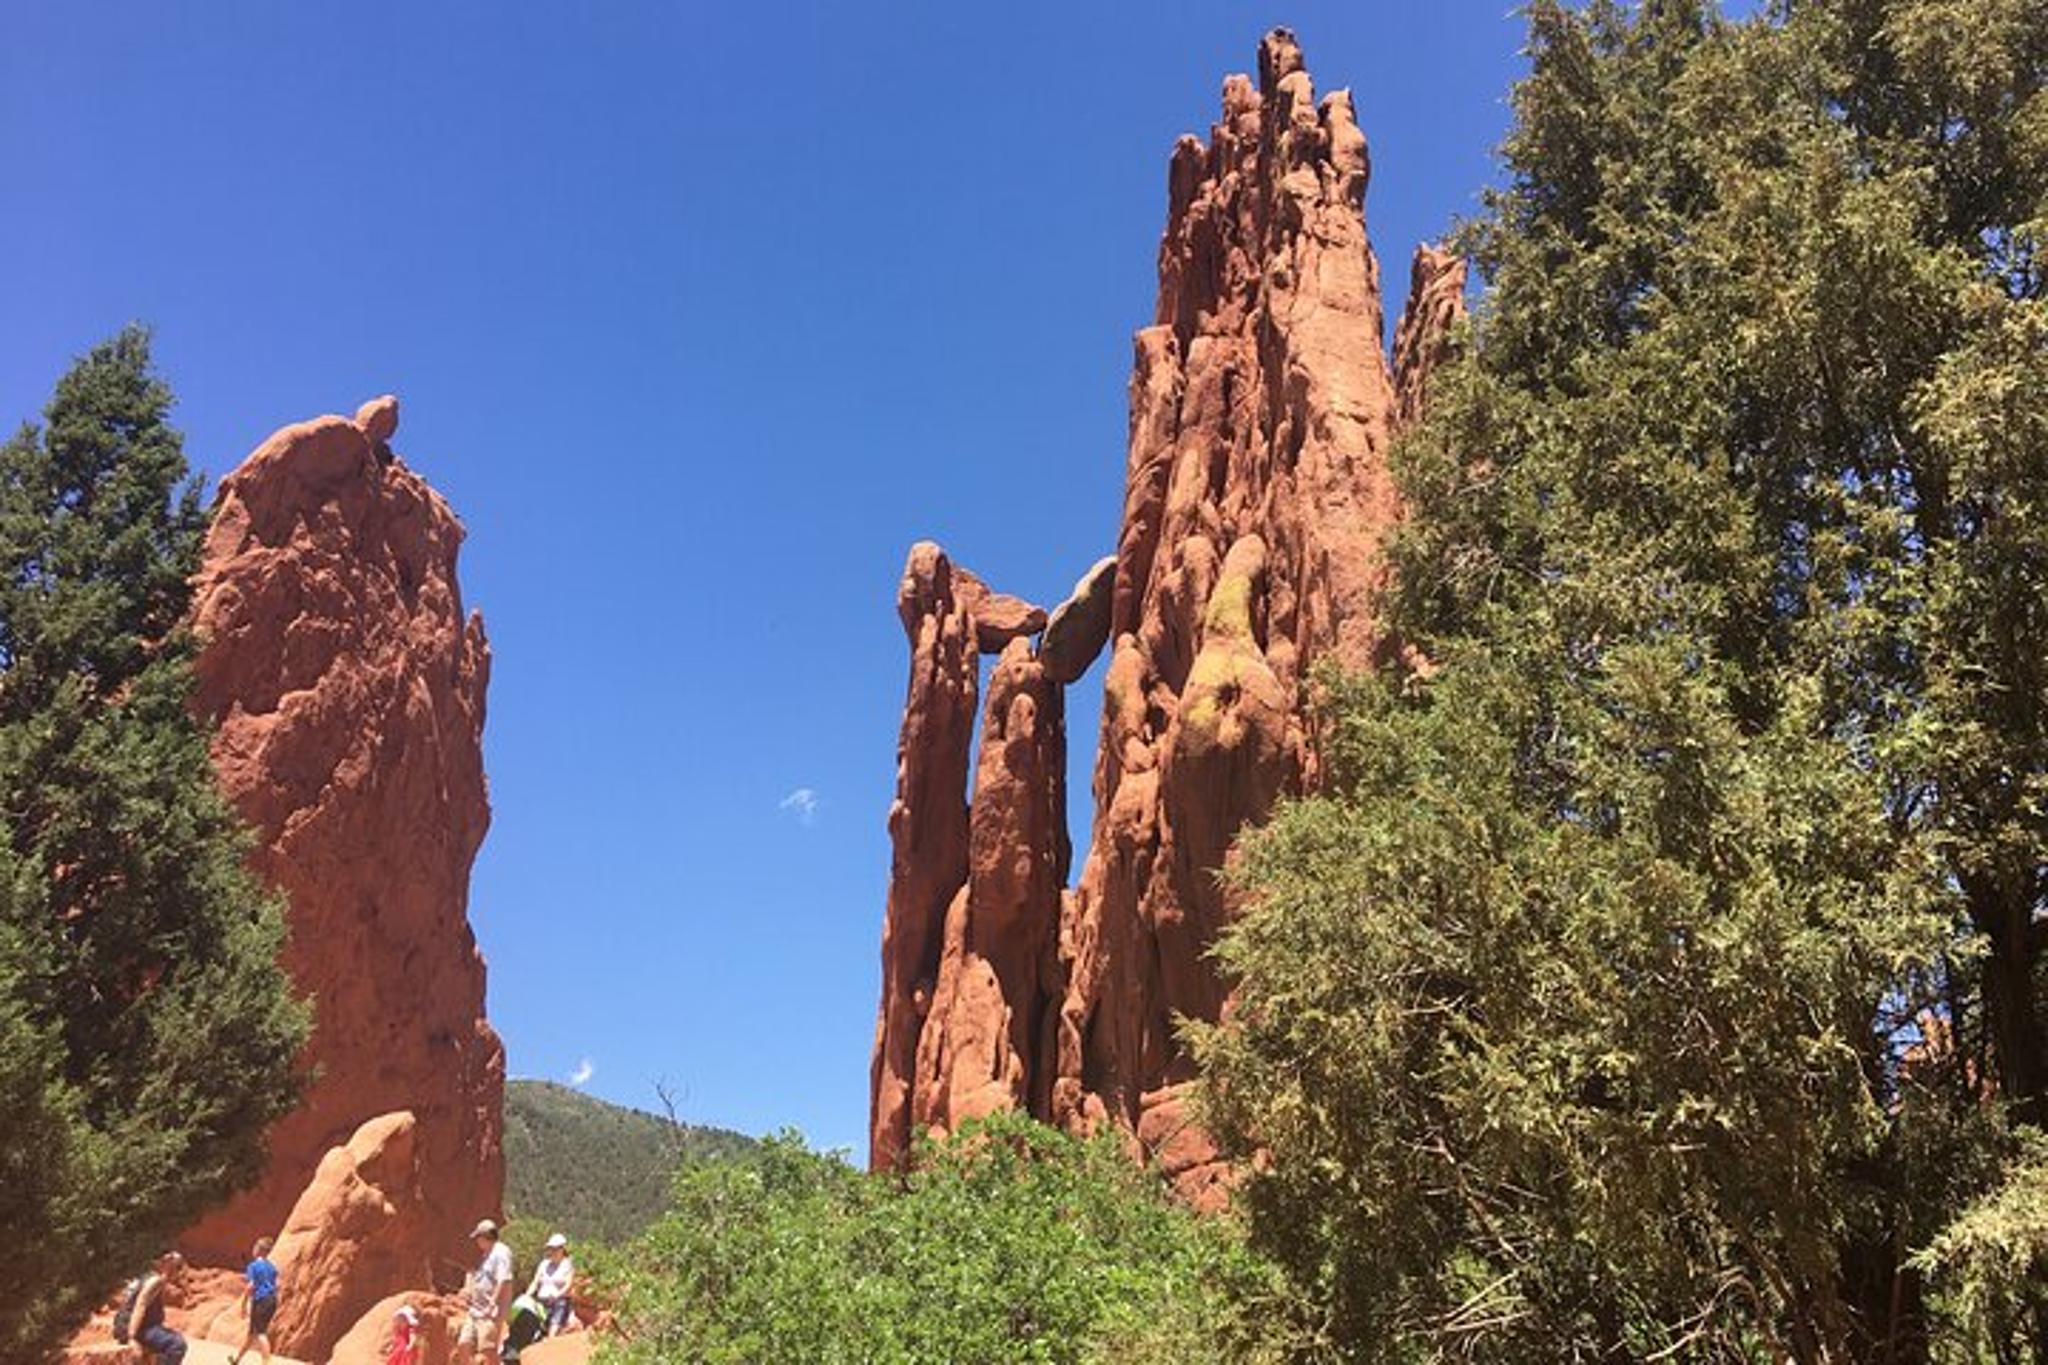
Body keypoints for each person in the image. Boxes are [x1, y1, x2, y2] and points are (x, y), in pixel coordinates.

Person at [456, 1218, 515, 1364]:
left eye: (478, 1237)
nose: (477, 1242)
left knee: (487, 1349)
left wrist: (492, 1304)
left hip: (490, 1312)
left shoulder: (501, 1252)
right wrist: (468, 1290)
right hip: (475, 1310)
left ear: (485, 1236)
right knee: (463, 1343)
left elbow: (503, 1279)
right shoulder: (486, 1255)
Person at [129, 1251, 188, 1365]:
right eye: (178, 1268)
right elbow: (140, 1305)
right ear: (168, 1267)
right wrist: (132, 1337)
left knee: (173, 1337)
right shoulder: (155, 1281)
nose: (179, 1273)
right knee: (178, 1345)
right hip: (139, 1327)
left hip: (144, 1326)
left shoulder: (152, 1277)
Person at [228, 1236, 278, 1365]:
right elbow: (275, 1285)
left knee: (261, 1332)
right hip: (271, 1299)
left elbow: (251, 1286)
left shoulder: (254, 1266)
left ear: (259, 1250)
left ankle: (267, 1362)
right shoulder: (272, 1267)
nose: (253, 1249)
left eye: (255, 1247)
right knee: (252, 1334)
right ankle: (237, 1360)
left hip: (261, 1299)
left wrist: (243, 1305)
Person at [527, 1234, 575, 1336]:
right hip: (542, 1302)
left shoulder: (568, 1265)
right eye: (550, 1249)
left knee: (553, 1331)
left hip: (559, 1302)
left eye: (555, 1249)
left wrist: (557, 1295)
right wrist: (527, 1295)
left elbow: (568, 1284)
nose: (552, 1251)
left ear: (562, 1249)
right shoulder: (544, 1264)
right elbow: (535, 1282)